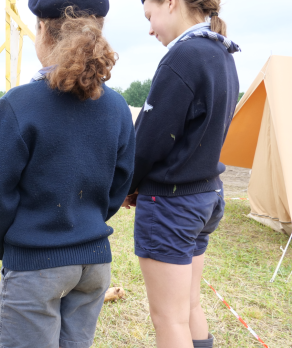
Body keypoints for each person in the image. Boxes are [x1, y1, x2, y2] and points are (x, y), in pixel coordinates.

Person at [0, 1, 135, 347]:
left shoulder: (18, 104)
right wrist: (86, 221)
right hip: (94, 266)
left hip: (36, 264)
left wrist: (9, 246)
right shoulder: (118, 108)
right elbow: (119, 185)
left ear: (41, 29)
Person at [124, 1, 239, 347]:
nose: (149, 28)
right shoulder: (222, 53)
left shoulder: (183, 56)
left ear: (170, 3)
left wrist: (127, 185)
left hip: (172, 203)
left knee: (169, 319)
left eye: (149, 16)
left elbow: (150, 137)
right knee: (189, 306)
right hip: (205, 196)